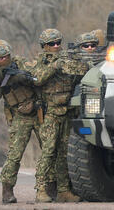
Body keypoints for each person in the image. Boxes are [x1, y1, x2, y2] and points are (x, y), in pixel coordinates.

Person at [32, 29, 88, 203]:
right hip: (50, 113)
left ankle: (64, 190)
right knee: (48, 152)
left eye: (58, 43)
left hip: (66, 112)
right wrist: (54, 66)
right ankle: (41, 189)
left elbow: (83, 70)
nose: (56, 46)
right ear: (44, 46)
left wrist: (70, 63)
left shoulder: (66, 59)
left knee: (64, 153)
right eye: (52, 44)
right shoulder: (41, 62)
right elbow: (37, 79)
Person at [0, 40, 41, 204]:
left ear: (9, 54)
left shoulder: (21, 63)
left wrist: (21, 77)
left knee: (51, 150)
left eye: (4, 57)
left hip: (37, 111)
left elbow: (37, 77)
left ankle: (49, 188)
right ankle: (7, 190)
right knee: (14, 155)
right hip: (19, 116)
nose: (2, 60)